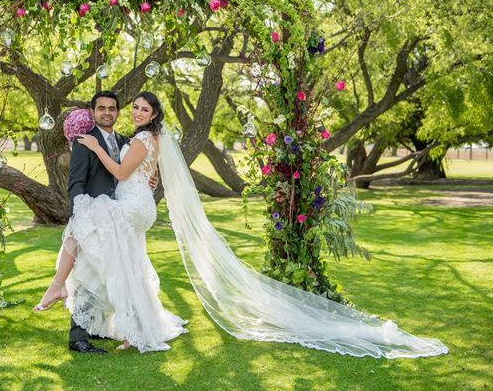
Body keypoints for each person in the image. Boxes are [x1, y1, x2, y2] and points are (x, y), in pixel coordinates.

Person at [38, 90, 448, 359]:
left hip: (131, 203)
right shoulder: (144, 138)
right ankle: (110, 318)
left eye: (141, 109)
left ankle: (90, 306)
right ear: (99, 112)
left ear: (154, 114)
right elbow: (135, 171)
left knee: (88, 230)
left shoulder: (139, 139)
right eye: (132, 108)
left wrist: (95, 147)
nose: (133, 112)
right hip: (138, 203)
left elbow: (121, 171)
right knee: (116, 257)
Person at [34, 90, 184, 353]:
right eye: (101, 108)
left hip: (125, 209)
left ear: (117, 112)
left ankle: (69, 308)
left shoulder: (129, 139)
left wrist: (151, 177)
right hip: (110, 207)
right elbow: (76, 182)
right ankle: (90, 325)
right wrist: (78, 208)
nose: (107, 112)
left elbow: (130, 168)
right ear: (93, 112)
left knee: (94, 268)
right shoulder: (85, 141)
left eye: (112, 108)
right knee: (115, 268)